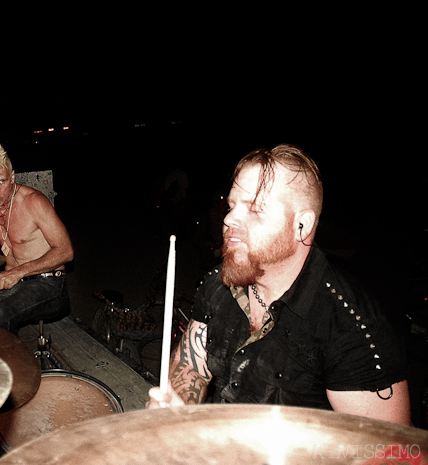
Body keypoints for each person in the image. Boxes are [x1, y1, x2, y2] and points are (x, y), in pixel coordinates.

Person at [147, 144, 411, 426]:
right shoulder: (219, 284)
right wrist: (178, 404)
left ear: (302, 226)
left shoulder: (350, 330)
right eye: (232, 205)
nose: (228, 218)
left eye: (255, 209)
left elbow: (390, 454)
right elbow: (192, 366)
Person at [0, 142, 73, 332]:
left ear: (12, 177)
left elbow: (66, 251)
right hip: (13, 281)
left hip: (48, 283)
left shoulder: (34, 202)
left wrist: (19, 272)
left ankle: (9, 361)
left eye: (2, 181)